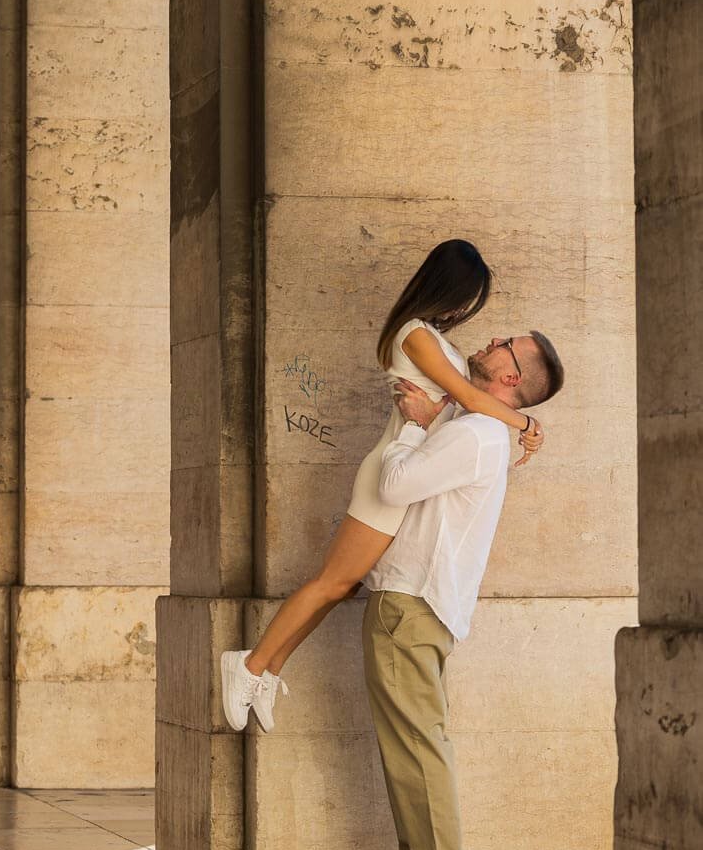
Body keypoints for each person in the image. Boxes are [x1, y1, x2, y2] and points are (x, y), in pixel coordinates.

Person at [221, 240, 545, 735]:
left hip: (406, 471)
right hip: (387, 477)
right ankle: (247, 665)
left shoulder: (436, 339)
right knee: (332, 580)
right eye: (467, 300)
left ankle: (268, 670)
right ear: (448, 290)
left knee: (343, 586)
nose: (467, 312)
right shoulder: (415, 335)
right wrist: (523, 423)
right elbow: (464, 397)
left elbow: (462, 407)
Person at [354, 328, 564, 850]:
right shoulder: (477, 427)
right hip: (412, 599)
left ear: (511, 377)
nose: (494, 338)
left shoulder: (474, 434)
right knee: (404, 738)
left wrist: (416, 425)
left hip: (413, 600)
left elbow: (394, 486)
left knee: (419, 739)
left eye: (507, 343)